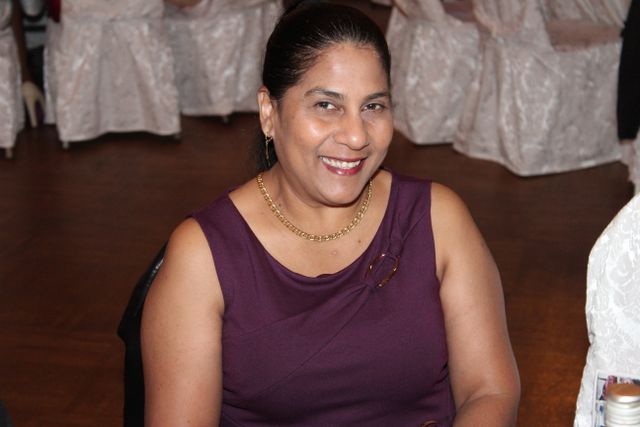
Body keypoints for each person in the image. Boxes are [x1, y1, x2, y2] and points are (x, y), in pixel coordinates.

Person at [140, 1, 520, 425]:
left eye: (373, 106)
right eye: (326, 105)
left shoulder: (437, 219)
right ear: (269, 112)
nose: (356, 136)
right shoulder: (203, 256)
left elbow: (490, 391)